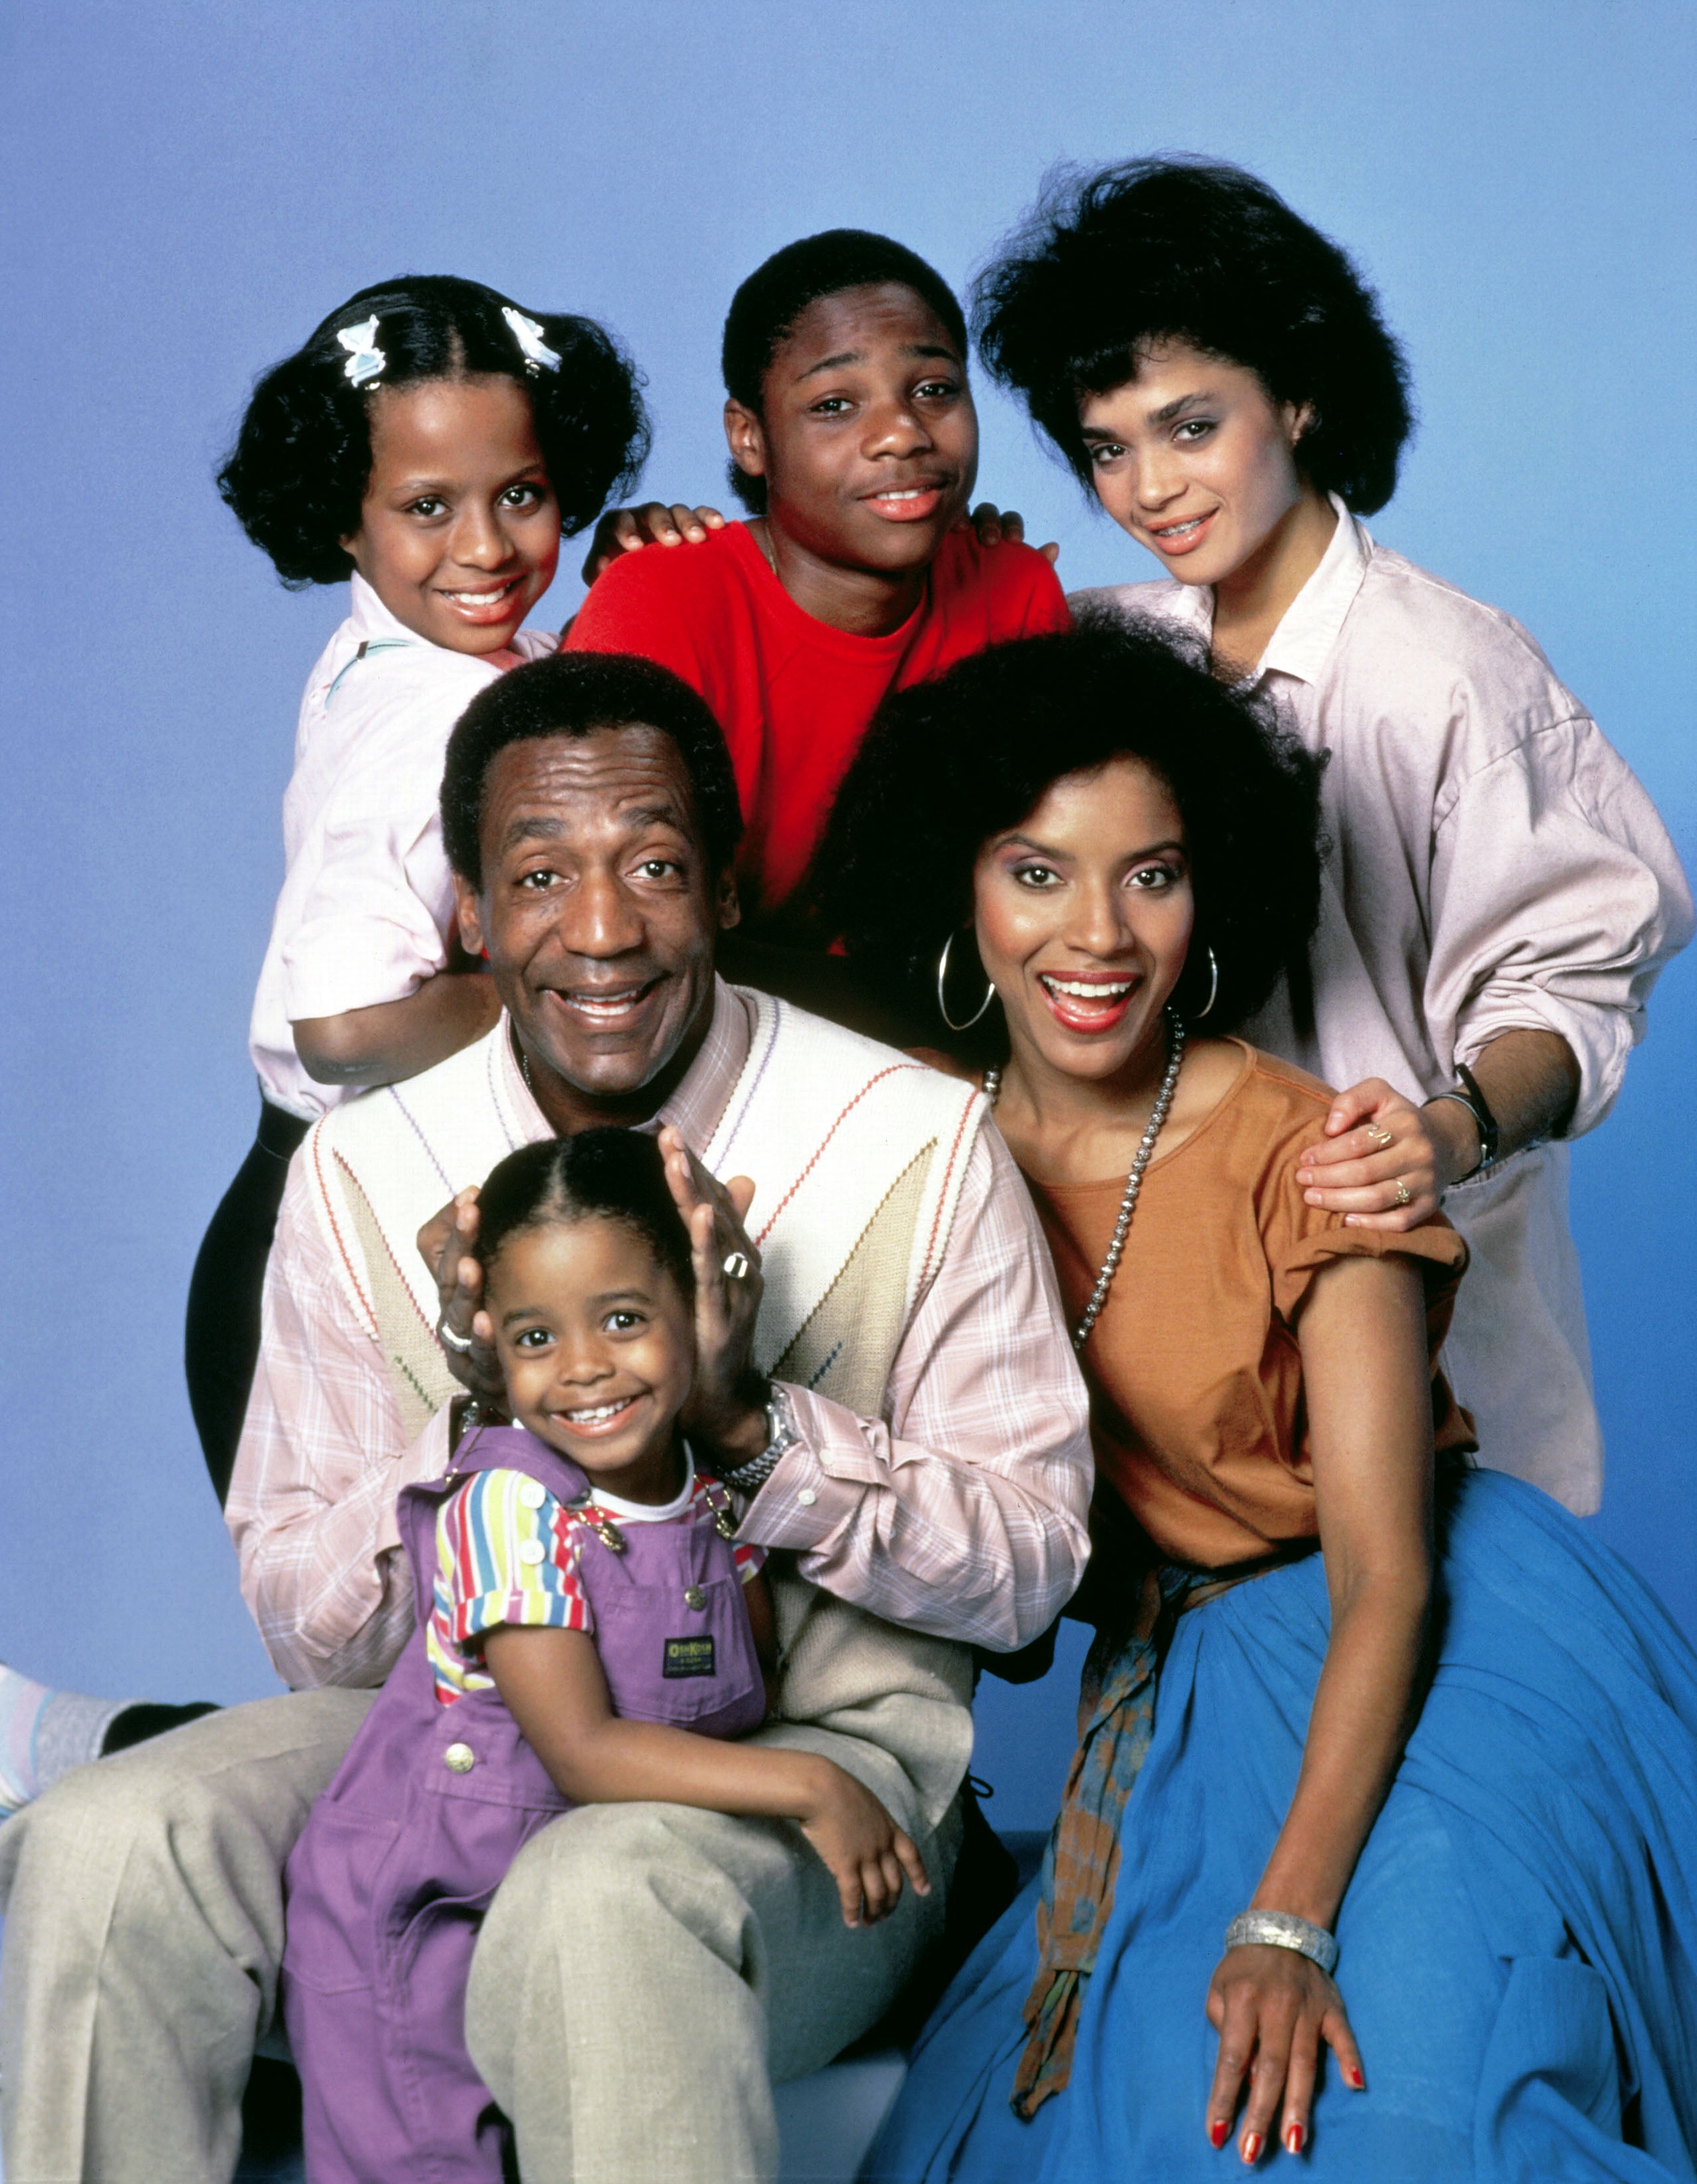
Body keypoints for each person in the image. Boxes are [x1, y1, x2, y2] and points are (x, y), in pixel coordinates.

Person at [0, 649, 1092, 2184]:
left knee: (600, 1895)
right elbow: (315, 1633)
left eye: (652, 864)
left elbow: (1034, 1560)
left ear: (719, 886)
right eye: (537, 874)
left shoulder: (912, 1140)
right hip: (441, 1748)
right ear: (469, 910)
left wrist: (745, 1422)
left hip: (811, 1784)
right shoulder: (367, 1170)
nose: (598, 929)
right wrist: (491, 1403)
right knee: (107, 1850)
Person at [818, 620, 1697, 2180]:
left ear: (1210, 880)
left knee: (1405, 2120)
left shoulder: (1310, 1149)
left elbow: (1389, 1571)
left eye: (1151, 872)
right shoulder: (902, 1144)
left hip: (1432, 1649)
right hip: (1185, 1687)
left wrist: (1289, 1910)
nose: (1097, 933)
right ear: (958, 881)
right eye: (1037, 870)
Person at [967, 157, 1693, 1509]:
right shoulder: (1107, 645)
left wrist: (1447, 1127)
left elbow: (1570, 981)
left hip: (1430, 1343)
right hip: (1179, 1369)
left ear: (1296, 397)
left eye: (1190, 427)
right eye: (1106, 448)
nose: (1146, 487)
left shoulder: (1447, 675)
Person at [284, 1128, 930, 2183]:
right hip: (427, 1919)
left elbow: (737, 1689)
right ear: (494, 1346)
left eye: (622, 1320)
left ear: (699, 1308)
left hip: (562, 1904)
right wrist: (813, 1784)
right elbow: (582, 1751)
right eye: (535, 1339)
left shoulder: (710, 1491)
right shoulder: (510, 1503)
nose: (583, 1369)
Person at [187, 274, 650, 1502]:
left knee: (440, 1676)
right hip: (321, 1239)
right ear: (344, 514)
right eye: (426, 506)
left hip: (315, 1215)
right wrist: (536, 984)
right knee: (396, 1674)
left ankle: (62, 1717)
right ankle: (63, 1716)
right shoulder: (438, 703)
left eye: (523, 495)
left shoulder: (405, 653)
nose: (487, 548)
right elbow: (339, 1027)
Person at [563, 228, 1069, 962]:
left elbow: (1034, 896)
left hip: (929, 1035)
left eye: (933, 390)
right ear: (749, 437)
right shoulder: (659, 601)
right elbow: (611, 933)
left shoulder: (1013, 592)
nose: (900, 433)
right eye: (834, 404)